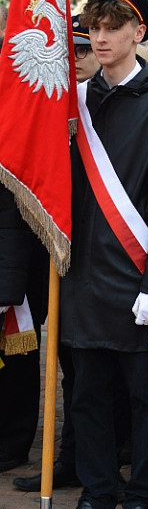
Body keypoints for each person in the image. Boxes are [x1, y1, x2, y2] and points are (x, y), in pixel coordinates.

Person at [45, 0, 148, 509]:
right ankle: (97, 497)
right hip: (81, 275)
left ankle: (141, 502)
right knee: (86, 395)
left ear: (140, 33)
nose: (100, 38)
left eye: (113, 28)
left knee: (147, 398)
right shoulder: (76, 98)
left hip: (136, 280)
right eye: (94, 28)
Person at [12, 16, 100, 493]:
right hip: (55, 261)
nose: (80, 60)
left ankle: (100, 461)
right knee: (69, 367)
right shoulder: (48, 111)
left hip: (104, 261)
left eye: (85, 51)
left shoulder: (107, 108)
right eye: (72, 52)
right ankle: (68, 457)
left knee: (98, 372)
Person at [0, 186, 48, 473]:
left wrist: (7, 289)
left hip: (13, 269)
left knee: (16, 362)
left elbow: (10, 219)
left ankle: (10, 443)